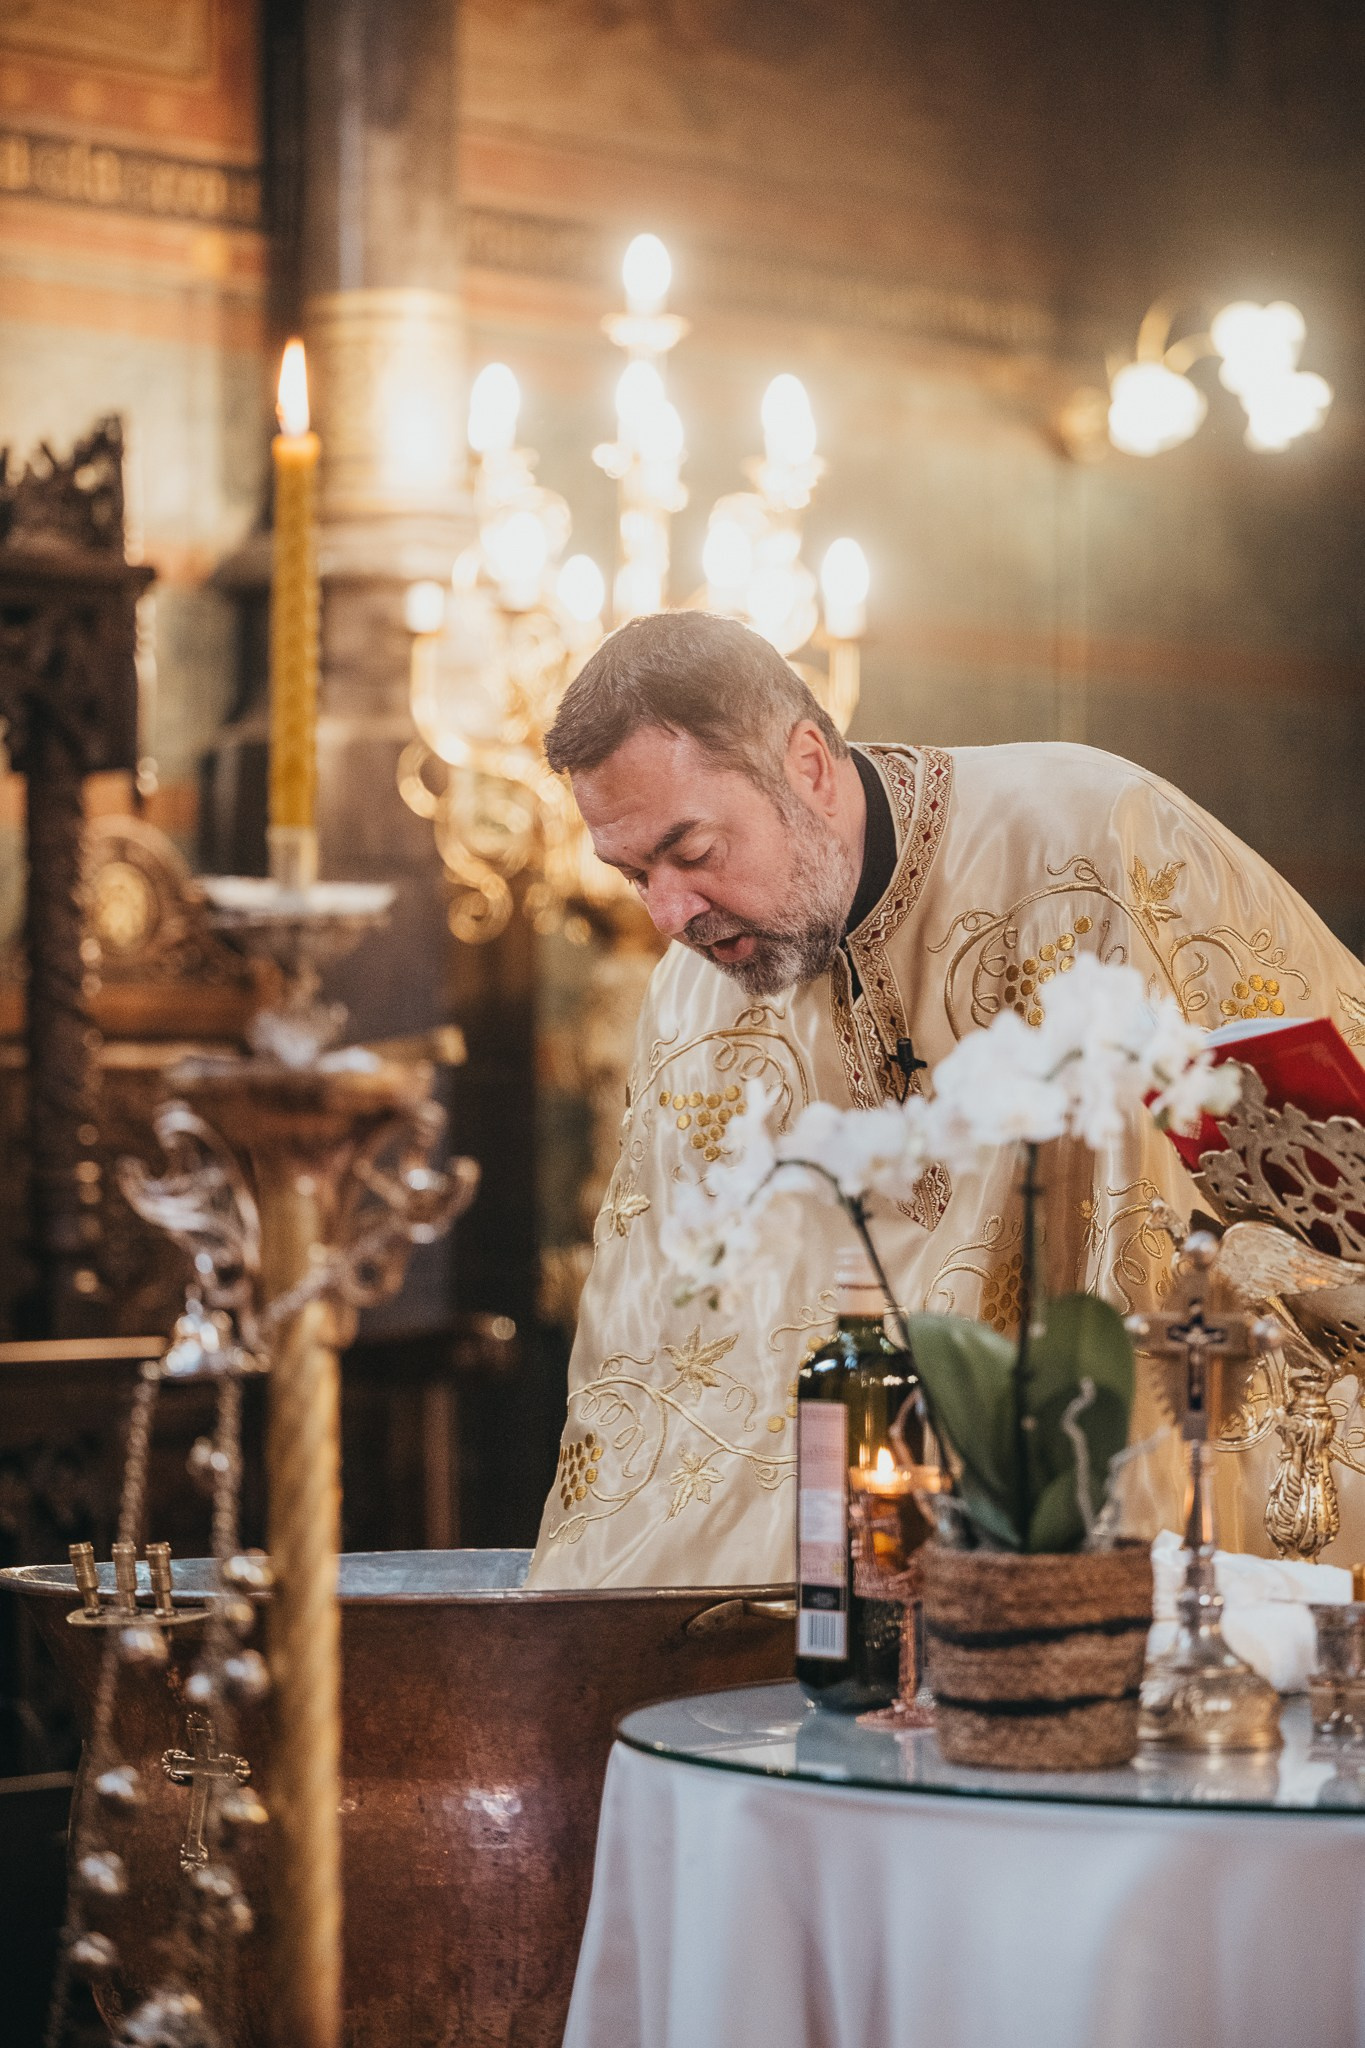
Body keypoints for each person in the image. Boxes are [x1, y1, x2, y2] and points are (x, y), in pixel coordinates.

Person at [527, 610, 1365, 1586]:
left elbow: (1318, 1143)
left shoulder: (1094, 836)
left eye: (694, 850)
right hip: (850, 1537)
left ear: (808, 766)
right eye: (634, 874)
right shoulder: (689, 999)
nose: (669, 913)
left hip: (1166, 1491)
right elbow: (652, 1352)